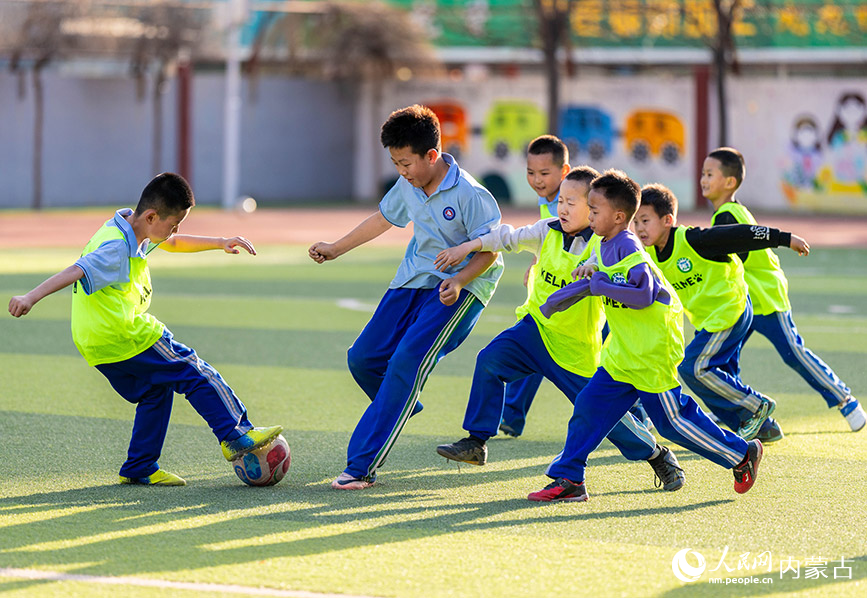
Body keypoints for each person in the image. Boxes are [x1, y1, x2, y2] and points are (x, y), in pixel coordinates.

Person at [7, 173, 283, 486]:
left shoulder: (132, 225)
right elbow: (76, 270)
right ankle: (237, 434)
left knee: (156, 390)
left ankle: (139, 467)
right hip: (125, 334)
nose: (175, 230)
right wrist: (30, 296)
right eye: (174, 223)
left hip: (96, 342)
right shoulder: (116, 247)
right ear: (152, 216)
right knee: (194, 371)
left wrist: (219, 242)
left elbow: (173, 242)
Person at [433, 167, 685, 492]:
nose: (562, 208)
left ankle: (655, 453)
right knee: (490, 360)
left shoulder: (607, 245)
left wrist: (595, 269)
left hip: (574, 349)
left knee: (603, 419)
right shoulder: (546, 230)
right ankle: (476, 441)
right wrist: (468, 247)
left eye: (573, 202)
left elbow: (630, 276)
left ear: (596, 208)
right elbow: (507, 237)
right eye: (560, 201)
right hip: (534, 330)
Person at [527, 169, 762, 502]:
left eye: (595, 211)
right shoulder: (605, 244)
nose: (589, 217)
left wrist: (599, 285)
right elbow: (597, 281)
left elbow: (644, 292)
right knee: (589, 405)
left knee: (671, 422)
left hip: (652, 347)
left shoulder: (627, 244)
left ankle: (741, 454)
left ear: (619, 217)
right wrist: (559, 299)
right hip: (624, 350)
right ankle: (569, 477)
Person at [308, 104, 503, 490]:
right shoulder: (408, 184)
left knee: (404, 363)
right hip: (412, 279)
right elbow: (383, 219)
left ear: (432, 156)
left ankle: (361, 466)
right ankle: (402, 402)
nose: (402, 172)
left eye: (406, 163)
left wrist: (461, 278)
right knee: (363, 359)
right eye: (396, 164)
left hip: (461, 288)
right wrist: (336, 248)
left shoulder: (471, 194)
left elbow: (491, 249)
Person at [704, 147, 864, 434]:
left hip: (764, 297)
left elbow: (731, 258)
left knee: (794, 353)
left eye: (709, 174)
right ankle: (733, 411)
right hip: (743, 300)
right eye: (703, 173)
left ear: (729, 182)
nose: (703, 179)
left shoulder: (729, 215)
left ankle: (846, 401)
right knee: (726, 354)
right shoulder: (729, 213)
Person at [634, 183, 810, 442]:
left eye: (645, 220)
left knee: (693, 368)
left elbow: (742, 234)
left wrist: (785, 239)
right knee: (715, 376)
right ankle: (765, 428)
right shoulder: (647, 253)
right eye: (635, 222)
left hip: (731, 311)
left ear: (668, 220)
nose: (639, 228)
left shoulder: (695, 240)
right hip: (708, 321)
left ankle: (755, 405)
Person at [499, 134, 571, 438]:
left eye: (544, 173)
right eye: (531, 173)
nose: (537, 180)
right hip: (558, 289)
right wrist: (536, 262)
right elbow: (549, 238)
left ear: (564, 172)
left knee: (611, 356)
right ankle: (512, 416)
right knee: (532, 337)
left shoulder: (576, 196)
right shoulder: (547, 199)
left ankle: (638, 414)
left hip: (587, 293)